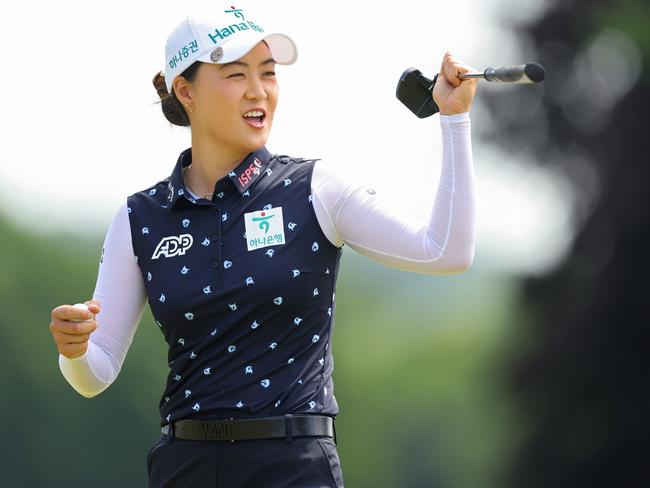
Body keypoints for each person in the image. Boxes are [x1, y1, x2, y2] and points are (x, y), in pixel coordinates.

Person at [48, 5, 478, 488]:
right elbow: (96, 373)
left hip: (293, 467)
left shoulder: (315, 189)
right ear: (185, 91)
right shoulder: (141, 216)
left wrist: (454, 119)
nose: (259, 91)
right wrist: (75, 349)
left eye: (268, 73)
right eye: (236, 74)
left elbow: (446, 251)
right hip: (184, 466)